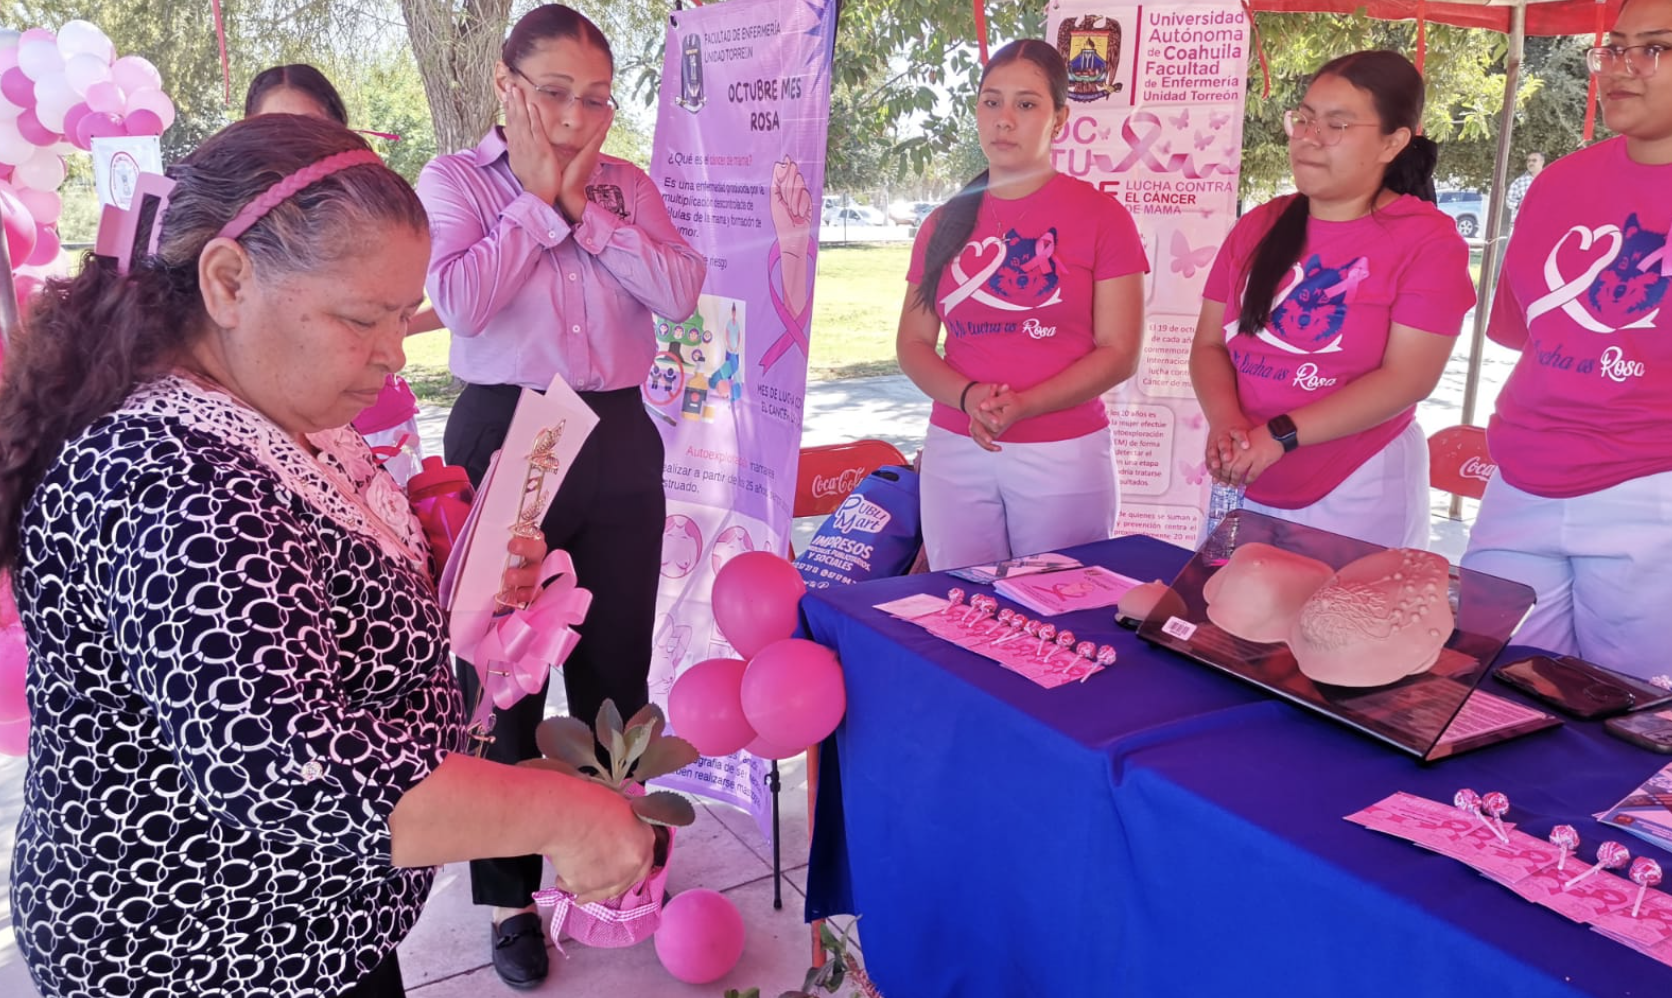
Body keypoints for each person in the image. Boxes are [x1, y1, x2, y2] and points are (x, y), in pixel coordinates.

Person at [0, 116, 655, 998]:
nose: (394, 353)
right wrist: (565, 814)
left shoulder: (265, 411)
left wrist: (447, 585)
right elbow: (289, 771)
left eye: (399, 315)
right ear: (230, 281)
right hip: (210, 957)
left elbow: (304, 603)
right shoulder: (170, 479)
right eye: (363, 318)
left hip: (307, 933)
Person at [414, 5, 704, 986]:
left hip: (618, 435)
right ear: (506, 85)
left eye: (595, 97)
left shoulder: (626, 186)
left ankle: (613, 860)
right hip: (508, 432)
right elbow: (458, 302)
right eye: (554, 92)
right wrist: (539, 201)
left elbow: (678, 291)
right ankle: (507, 898)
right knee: (504, 678)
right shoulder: (455, 180)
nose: (578, 117)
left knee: (618, 660)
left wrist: (588, 212)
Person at [1460, 0, 1672, 681]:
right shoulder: (1559, 184)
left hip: (1653, 491)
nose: (1622, 68)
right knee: (1497, 688)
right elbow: (1532, 339)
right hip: (1521, 477)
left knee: (1637, 718)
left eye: (1656, 49)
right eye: (1614, 49)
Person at [1188, 50, 1475, 549]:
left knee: (1336, 623)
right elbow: (1211, 345)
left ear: (1394, 141)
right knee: (1222, 618)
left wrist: (1279, 435)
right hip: (1251, 470)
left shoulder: (1427, 240)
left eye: (1336, 125)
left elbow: (1408, 378)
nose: (1308, 138)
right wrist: (1228, 423)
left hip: (1357, 481)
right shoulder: (1260, 225)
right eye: (1303, 119)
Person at [896, 39, 1146, 571]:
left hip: (1063, 452)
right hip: (956, 446)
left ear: (1059, 119)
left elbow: (1119, 351)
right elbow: (914, 344)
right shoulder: (943, 222)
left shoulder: (1102, 217)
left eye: (1026, 104)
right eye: (991, 101)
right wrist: (966, 398)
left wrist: (1027, 404)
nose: (1004, 119)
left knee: (1061, 610)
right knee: (958, 607)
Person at [245, 63, 443, 486]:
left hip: (376, 425)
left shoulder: (376, 215)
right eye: (274, 129)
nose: (294, 147)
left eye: (312, 128)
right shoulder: (227, 231)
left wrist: (381, 328)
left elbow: (429, 298)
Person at [1504, 151, 1544, 226]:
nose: (1530, 163)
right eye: (1528, 160)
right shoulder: (1519, 182)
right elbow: (1509, 201)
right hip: (1521, 225)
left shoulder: (1549, 180)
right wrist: (1523, 205)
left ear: (1542, 162)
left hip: (1543, 225)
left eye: (1534, 160)